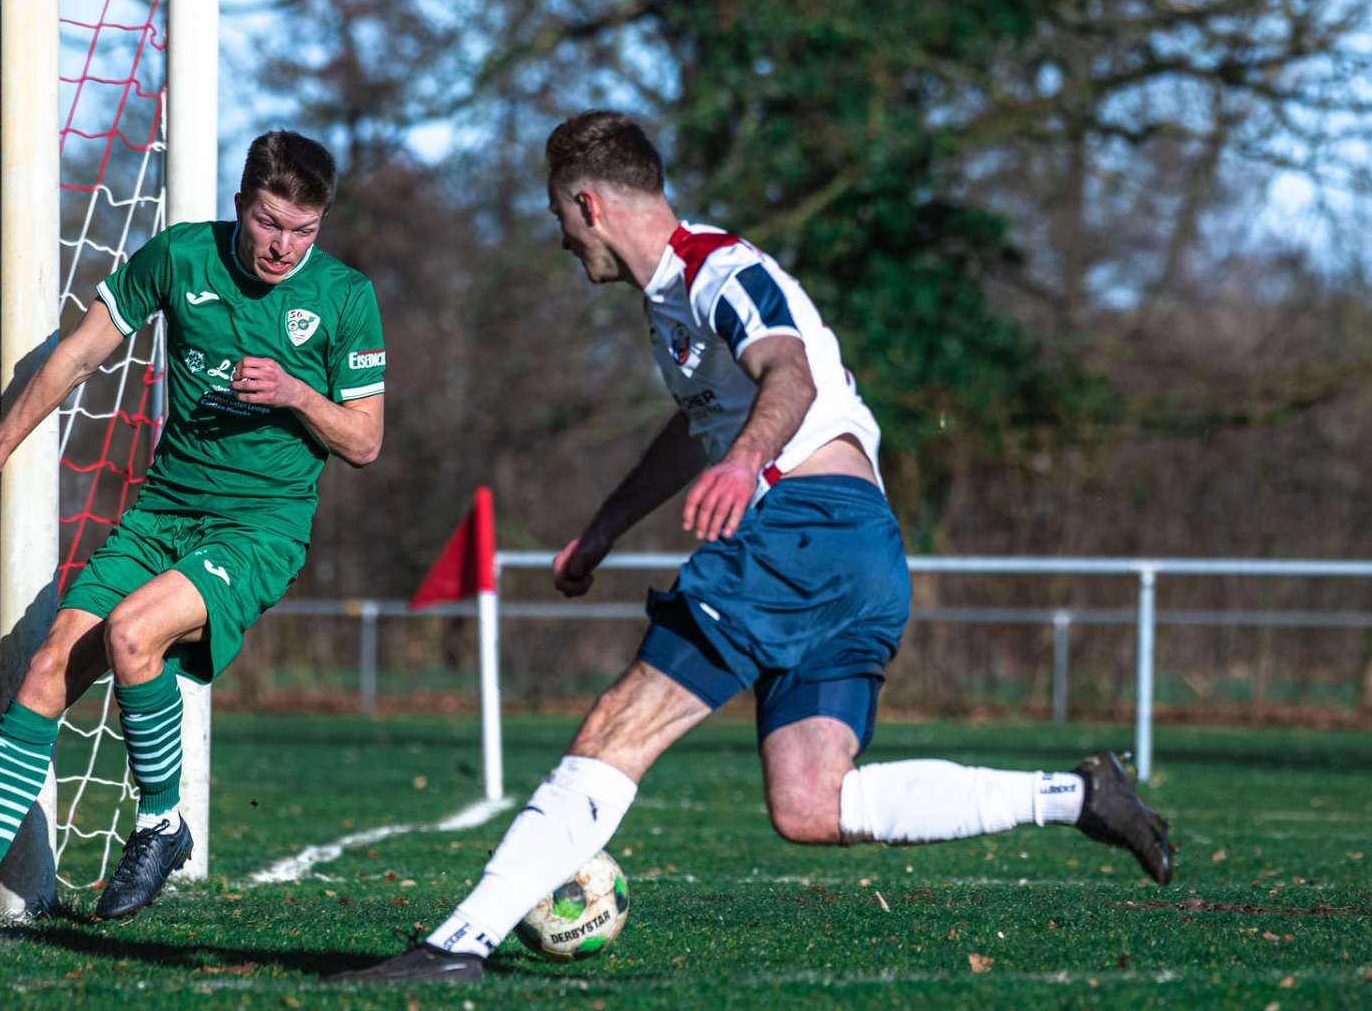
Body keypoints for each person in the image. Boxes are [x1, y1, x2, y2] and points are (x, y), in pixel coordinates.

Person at [343, 110, 1174, 983]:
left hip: (802, 529)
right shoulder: (672, 303)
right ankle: (1081, 796)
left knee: (618, 726)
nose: (559, 239)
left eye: (557, 217)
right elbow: (697, 423)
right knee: (813, 803)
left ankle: (459, 944)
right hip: (858, 551)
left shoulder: (717, 270)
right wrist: (604, 526)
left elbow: (789, 370)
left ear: (588, 204)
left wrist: (744, 466)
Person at [0, 130, 386, 927]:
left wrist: (295, 393)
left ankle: (160, 823)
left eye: (303, 231)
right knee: (47, 669)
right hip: (161, 515)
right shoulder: (180, 258)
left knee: (131, 633)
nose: (284, 246)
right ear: (239, 206)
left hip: (258, 529)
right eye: (268, 223)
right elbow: (79, 355)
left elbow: (364, 440)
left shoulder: (344, 296)